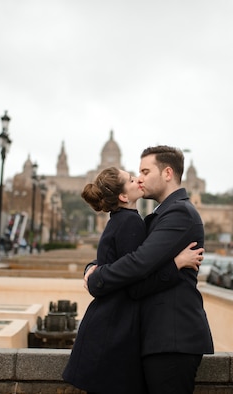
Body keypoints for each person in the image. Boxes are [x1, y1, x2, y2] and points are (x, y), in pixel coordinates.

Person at [62, 166, 204, 394]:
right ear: (123, 196)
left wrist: (92, 270)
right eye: (130, 179)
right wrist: (176, 263)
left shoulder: (120, 219)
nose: (138, 179)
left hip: (107, 327)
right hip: (113, 330)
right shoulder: (130, 222)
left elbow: (112, 265)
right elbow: (137, 284)